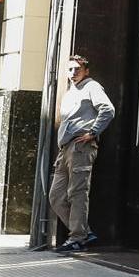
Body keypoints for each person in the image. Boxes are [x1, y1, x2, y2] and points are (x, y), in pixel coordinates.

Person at [50, 55, 114, 252]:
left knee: (77, 193)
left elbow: (108, 109)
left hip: (81, 147)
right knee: (56, 196)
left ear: (86, 71)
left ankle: (77, 237)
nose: (73, 73)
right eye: (70, 69)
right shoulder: (70, 92)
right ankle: (84, 233)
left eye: (77, 69)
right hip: (65, 148)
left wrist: (93, 132)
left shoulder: (92, 87)